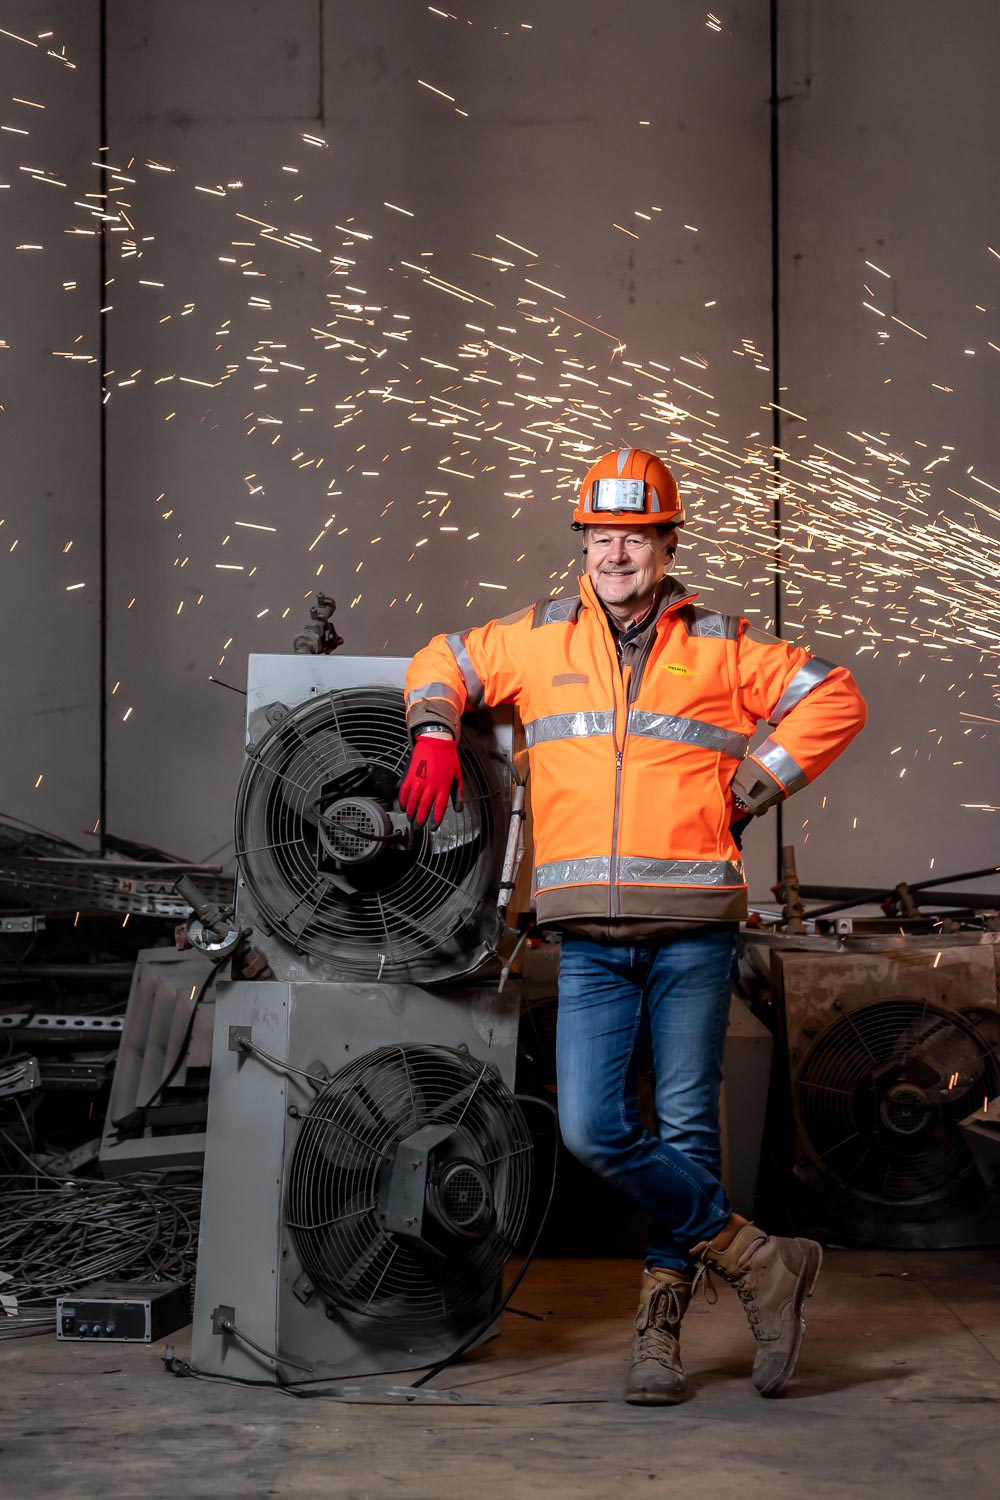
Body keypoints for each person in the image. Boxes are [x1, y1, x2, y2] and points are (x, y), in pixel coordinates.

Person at [400, 448, 867, 1404]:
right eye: (603, 536)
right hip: (587, 936)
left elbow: (836, 697)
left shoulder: (722, 646)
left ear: (668, 546)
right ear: (584, 542)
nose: (617, 554)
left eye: (637, 538)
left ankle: (659, 1333)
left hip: (694, 927)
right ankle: (762, 1260)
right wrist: (435, 729)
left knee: (688, 1125)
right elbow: (441, 661)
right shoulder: (536, 639)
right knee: (592, 1128)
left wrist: (752, 786)